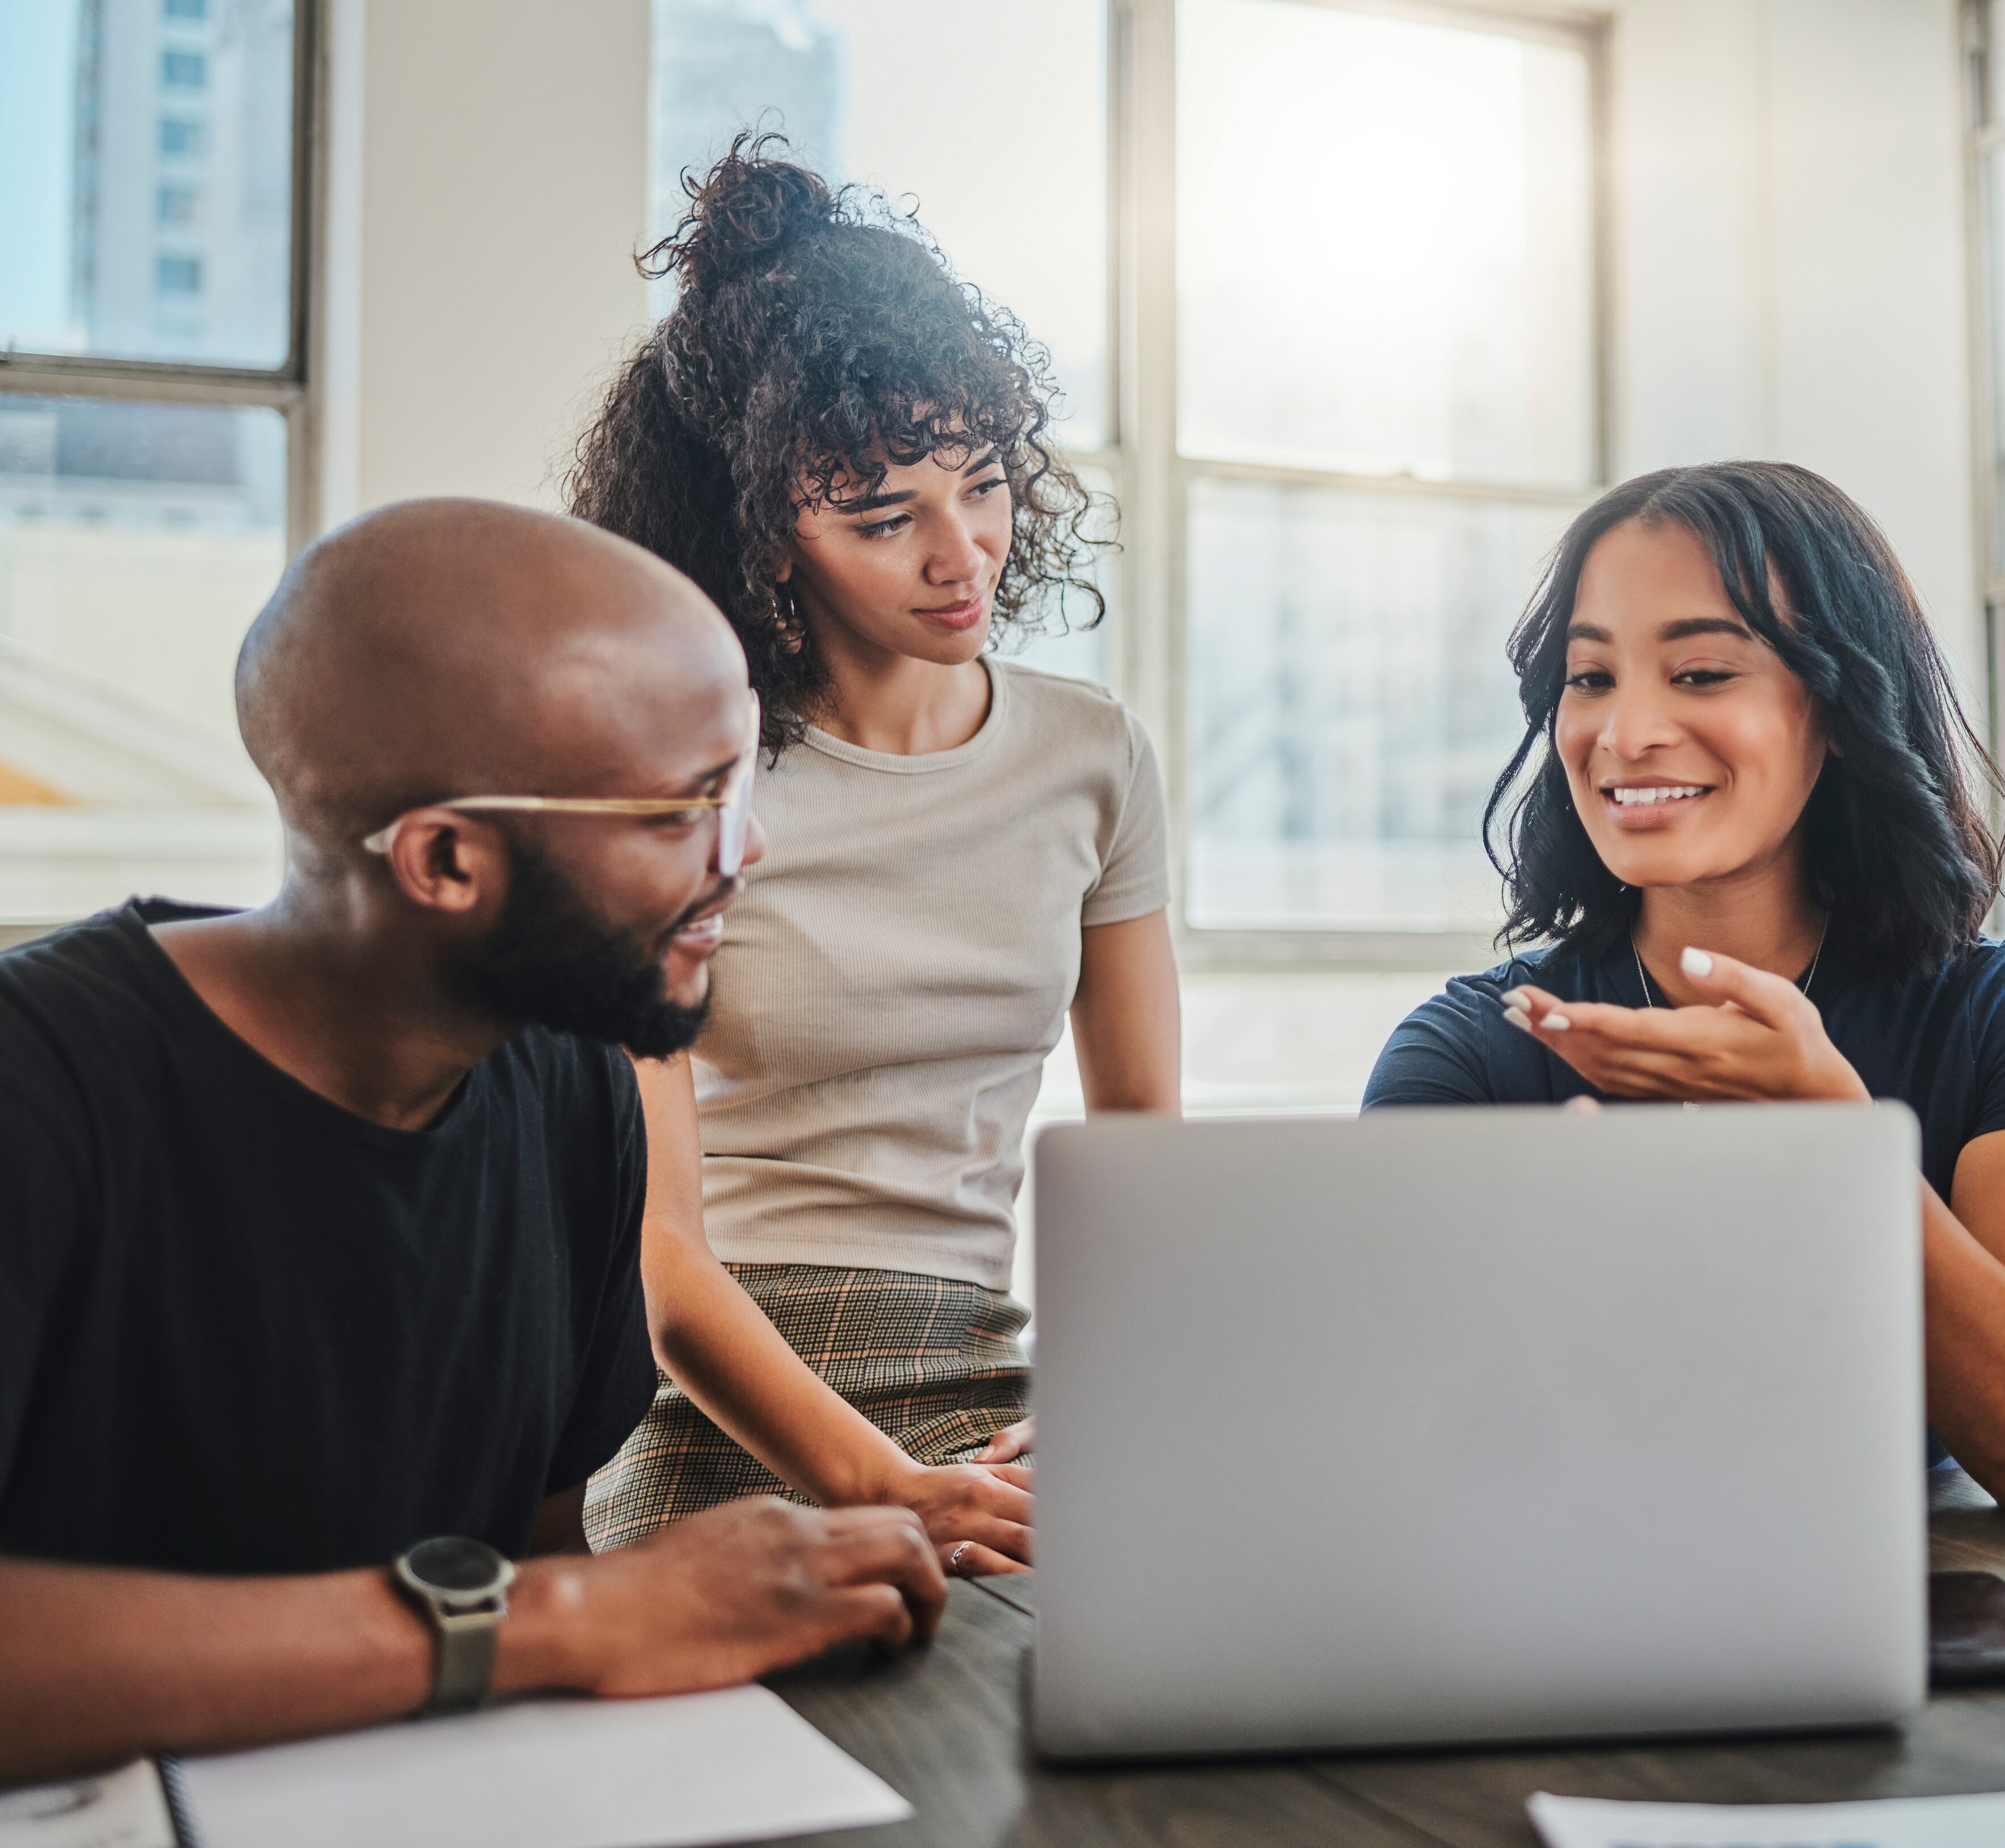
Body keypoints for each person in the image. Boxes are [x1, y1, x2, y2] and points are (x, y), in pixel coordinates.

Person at [0, 500, 948, 1787]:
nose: (749, 851)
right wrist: (568, 1618)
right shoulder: (40, 1088)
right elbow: (545, 1609)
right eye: (686, 808)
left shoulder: (571, 1088)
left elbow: (539, 1568)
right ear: (445, 860)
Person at [566, 142, 1178, 1570]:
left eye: (979, 482)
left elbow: (1142, 1137)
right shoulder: (685, 782)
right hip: (721, 1399)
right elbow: (664, 1265)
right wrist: (886, 1485)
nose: (961, 552)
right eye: (883, 518)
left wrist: (1121, 1393)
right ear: (763, 535)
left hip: (991, 1377)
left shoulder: (1092, 756)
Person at [1364, 461, 2005, 1507]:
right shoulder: (1468, 1050)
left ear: (1839, 706)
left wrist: (1838, 1142)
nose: (1627, 735)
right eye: (1591, 680)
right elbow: (1408, 1437)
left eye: (1702, 674)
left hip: (1912, 1615)